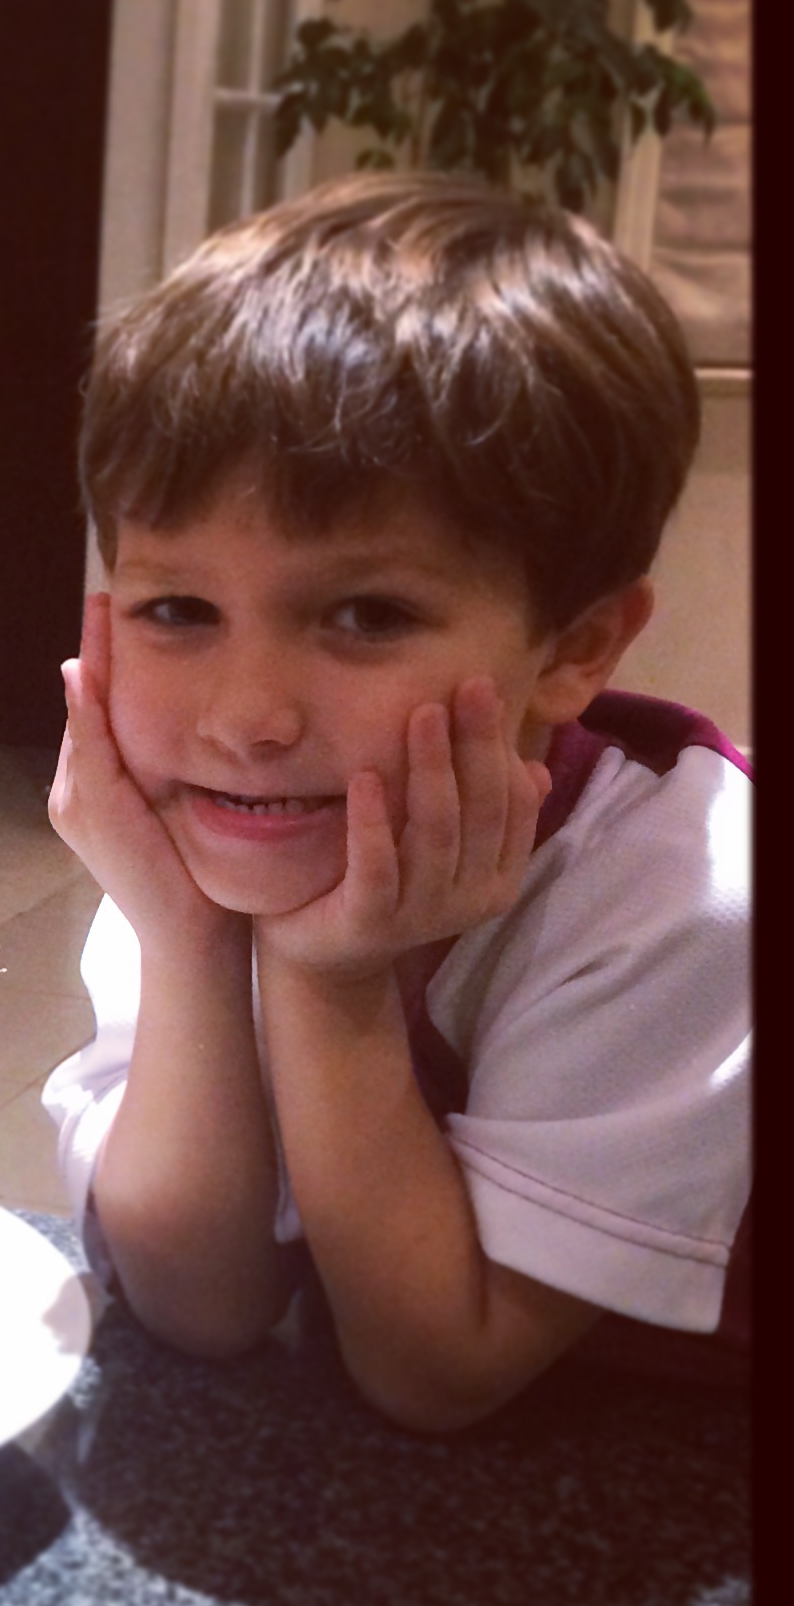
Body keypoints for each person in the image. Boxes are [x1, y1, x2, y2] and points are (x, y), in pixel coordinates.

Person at [42, 172, 749, 1432]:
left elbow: (435, 1370)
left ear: (576, 647)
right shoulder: (220, 837)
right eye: (178, 609)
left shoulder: (683, 898)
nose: (245, 721)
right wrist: (185, 943)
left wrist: (327, 981)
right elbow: (202, 1304)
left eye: (367, 615)